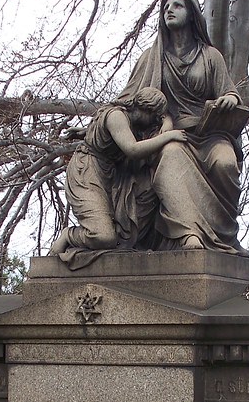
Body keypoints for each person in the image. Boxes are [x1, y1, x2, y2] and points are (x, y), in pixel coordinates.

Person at [117, 0, 249, 255]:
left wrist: (230, 100)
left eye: (177, 5)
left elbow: (229, 91)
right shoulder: (152, 58)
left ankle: (225, 238)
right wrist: (95, 127)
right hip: (173, 135)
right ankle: (188, 233)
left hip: (210, 134)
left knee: (225, 163)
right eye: (166, 6)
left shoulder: (210, 56)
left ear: (191, 15)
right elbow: (125, 102)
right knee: (170, 156)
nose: (169, 10)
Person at [50, 87, 187, 269]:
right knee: (103, 236)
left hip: (110, 174)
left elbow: (119, 135)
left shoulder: (131, 122)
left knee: (121, 232)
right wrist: (170, 135)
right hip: (87, 172)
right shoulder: (116, 116)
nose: (155, 122)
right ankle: (69, 235)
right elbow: (133, 150)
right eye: (155, 116)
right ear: (145, 109)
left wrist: (166, 122)